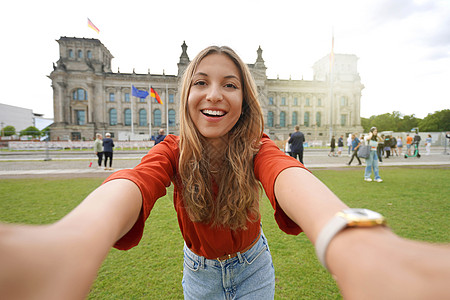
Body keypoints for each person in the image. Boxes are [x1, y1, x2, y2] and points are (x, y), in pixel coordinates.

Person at [1, 46, 450, 300]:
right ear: (184, 94)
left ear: (246, 98)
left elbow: (286, 175)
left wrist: (353, 236)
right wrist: (75, 237)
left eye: (230, 84)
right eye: (200, 81)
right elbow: (136, 182)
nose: (214, 94)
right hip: (198, 274)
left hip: (254, 268)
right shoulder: (172, 149)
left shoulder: (258, 146)